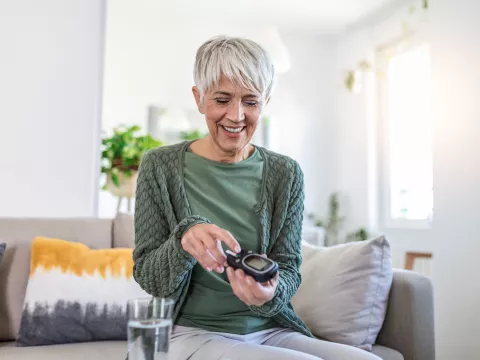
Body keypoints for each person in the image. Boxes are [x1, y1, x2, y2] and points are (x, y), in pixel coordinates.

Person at [132, 35, 381, 360]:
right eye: (222, 100)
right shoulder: (159, 166)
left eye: (250, 101)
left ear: (266, 100)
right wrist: (184, 239)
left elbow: (289, 266)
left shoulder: (286, 173)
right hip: (191, 332)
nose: (236, 116)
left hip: (270, 329)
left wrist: (271, 291)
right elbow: (149, 278)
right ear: (199, 98)